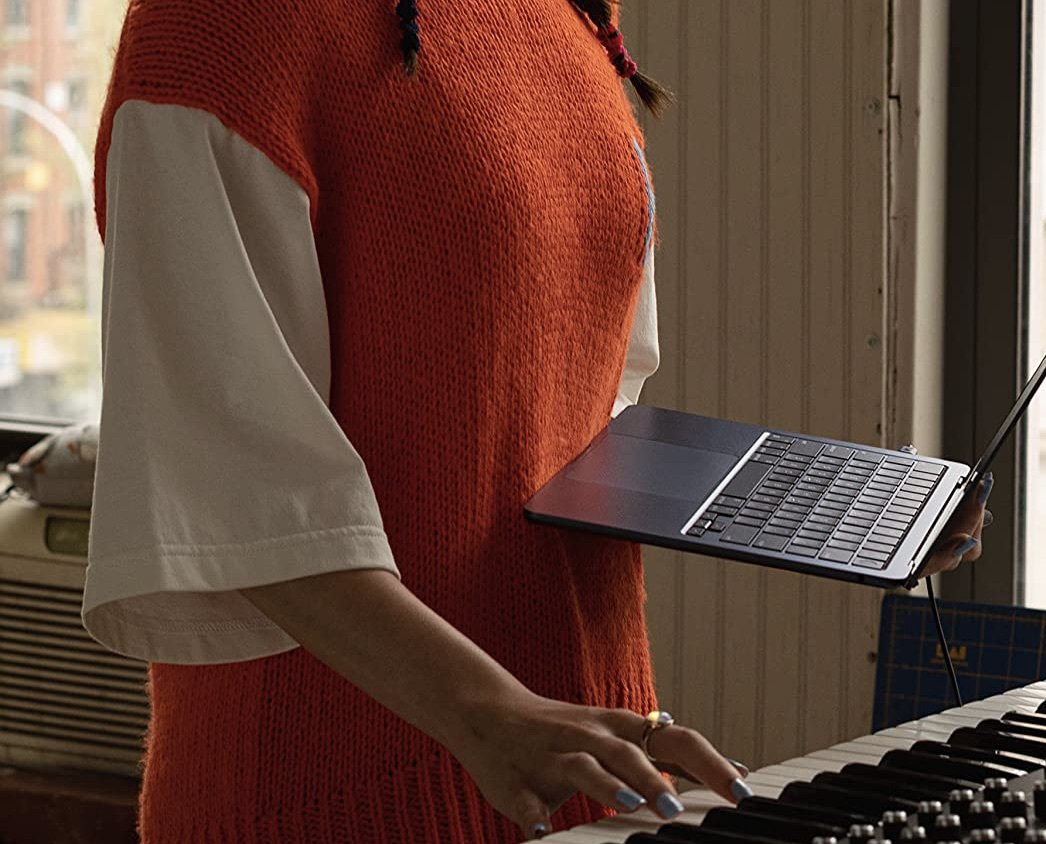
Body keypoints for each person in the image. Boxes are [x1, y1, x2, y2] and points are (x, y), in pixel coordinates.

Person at [79, 0, 993, 841]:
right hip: (341, 791)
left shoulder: (565, 16)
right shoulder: (216, 30)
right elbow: (225, 487)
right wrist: (495, 712)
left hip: (584, 753)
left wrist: (831, 507)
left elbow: (582, 402)